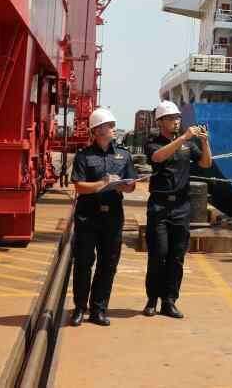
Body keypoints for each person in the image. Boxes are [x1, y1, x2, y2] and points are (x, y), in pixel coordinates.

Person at [143, 101, 212, 318]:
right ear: (160, 122)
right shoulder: (153, 143)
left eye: (178, 118)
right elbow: (157, 157)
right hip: (159, 206)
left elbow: (206, 164)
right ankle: (152, 300)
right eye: (172, 118)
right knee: (158, 254)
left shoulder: (188, 145)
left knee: (176, 256)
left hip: (181, 207)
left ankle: (169, 301)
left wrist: (205, 142)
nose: (176, 121)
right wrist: (183, 138)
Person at [69, 107, 137, 327]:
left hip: (113, 218)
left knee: (108, 264)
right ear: (98, 130)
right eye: (110, 126)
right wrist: (102, 184)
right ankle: (79, 308)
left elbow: (132, 185)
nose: (114, 129)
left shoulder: (124, 155)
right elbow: (79, 186)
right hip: (87, 217)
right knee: (83, 263)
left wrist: (125, 186)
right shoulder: (83, 156)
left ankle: (98, 309)